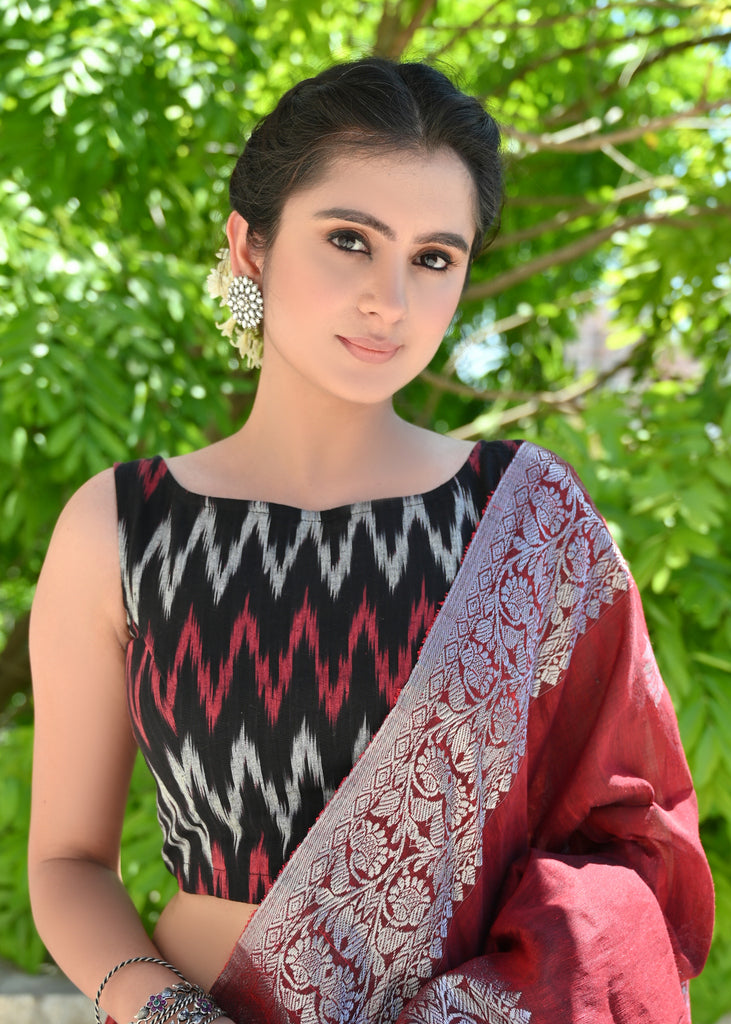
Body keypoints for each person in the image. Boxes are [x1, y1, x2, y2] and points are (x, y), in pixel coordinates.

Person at [28, 57, 713, 1024]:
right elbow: (66, 864)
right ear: (249, 248)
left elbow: (624, 845)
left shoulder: (525, 521)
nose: (389, 299)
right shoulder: (122, 526)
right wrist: (165, 1013)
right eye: (350, 240)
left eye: (434, 257)